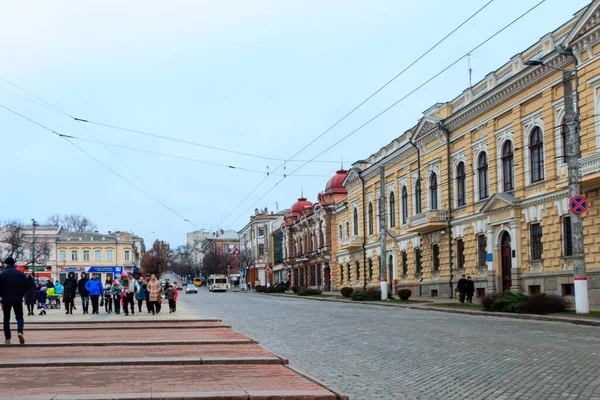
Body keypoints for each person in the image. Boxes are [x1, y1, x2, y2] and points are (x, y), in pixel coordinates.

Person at [0, 257, 28, 345]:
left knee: (6, 319)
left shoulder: (2, 274)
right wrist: (21, 294)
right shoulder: (21, 274)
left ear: (6, 264)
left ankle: (7, 338)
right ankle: (20, 332)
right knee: (19, 317)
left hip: (6, 299)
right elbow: (26, 286)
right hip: (18, 299)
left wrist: (2, 296)